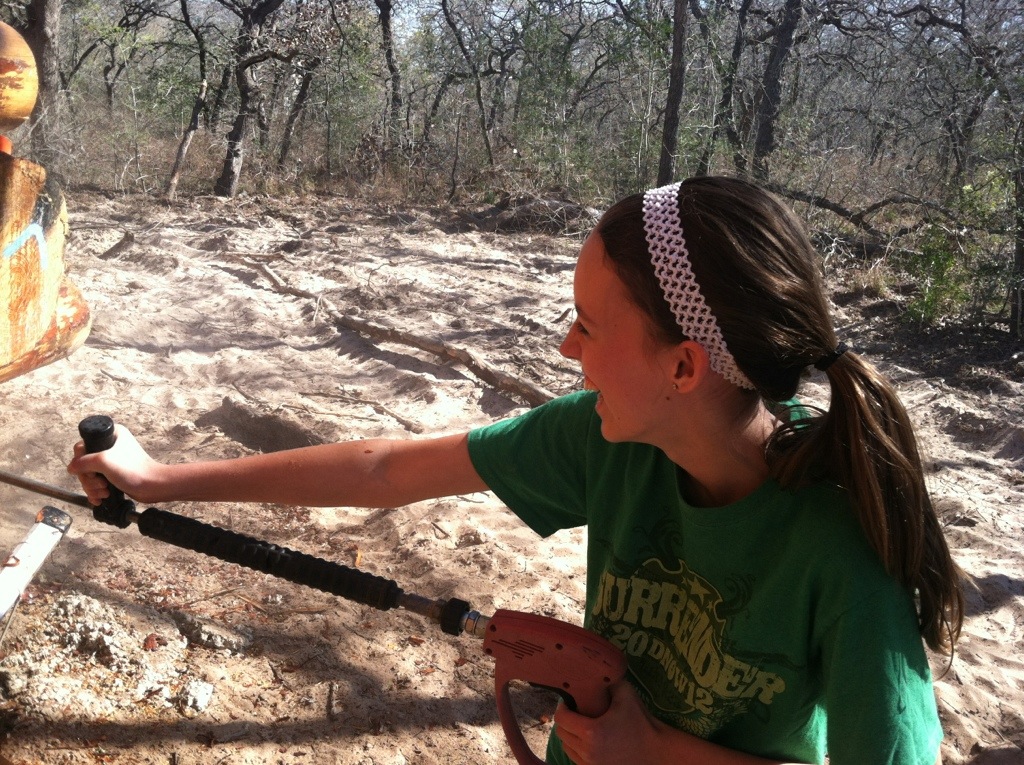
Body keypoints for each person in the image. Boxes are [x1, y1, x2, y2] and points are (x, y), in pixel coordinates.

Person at [68, 176, 964, 765]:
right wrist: (159, 479)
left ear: (684, 366)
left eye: (588, 325)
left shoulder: (845, 545)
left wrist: (657, 750)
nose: (567, 345)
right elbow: (384, 470)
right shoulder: (613, 438)